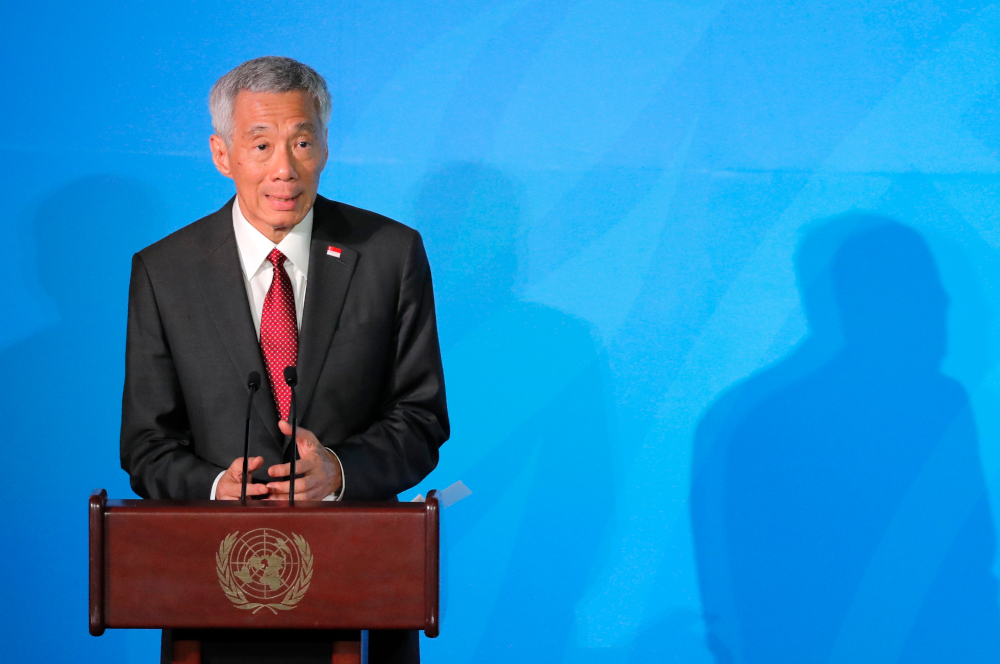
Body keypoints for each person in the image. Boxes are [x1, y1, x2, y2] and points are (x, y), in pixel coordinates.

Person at [119, 56, 448, 664]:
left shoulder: (390, 254)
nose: (284, 169)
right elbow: (146, 444)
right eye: (262, 144)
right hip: (213, 596)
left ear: (324, 145)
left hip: (359, 589)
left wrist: (339, 472)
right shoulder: (165, 271)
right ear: (223, 155)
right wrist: (217, 485)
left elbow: (421, 420)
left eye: (302, 141)